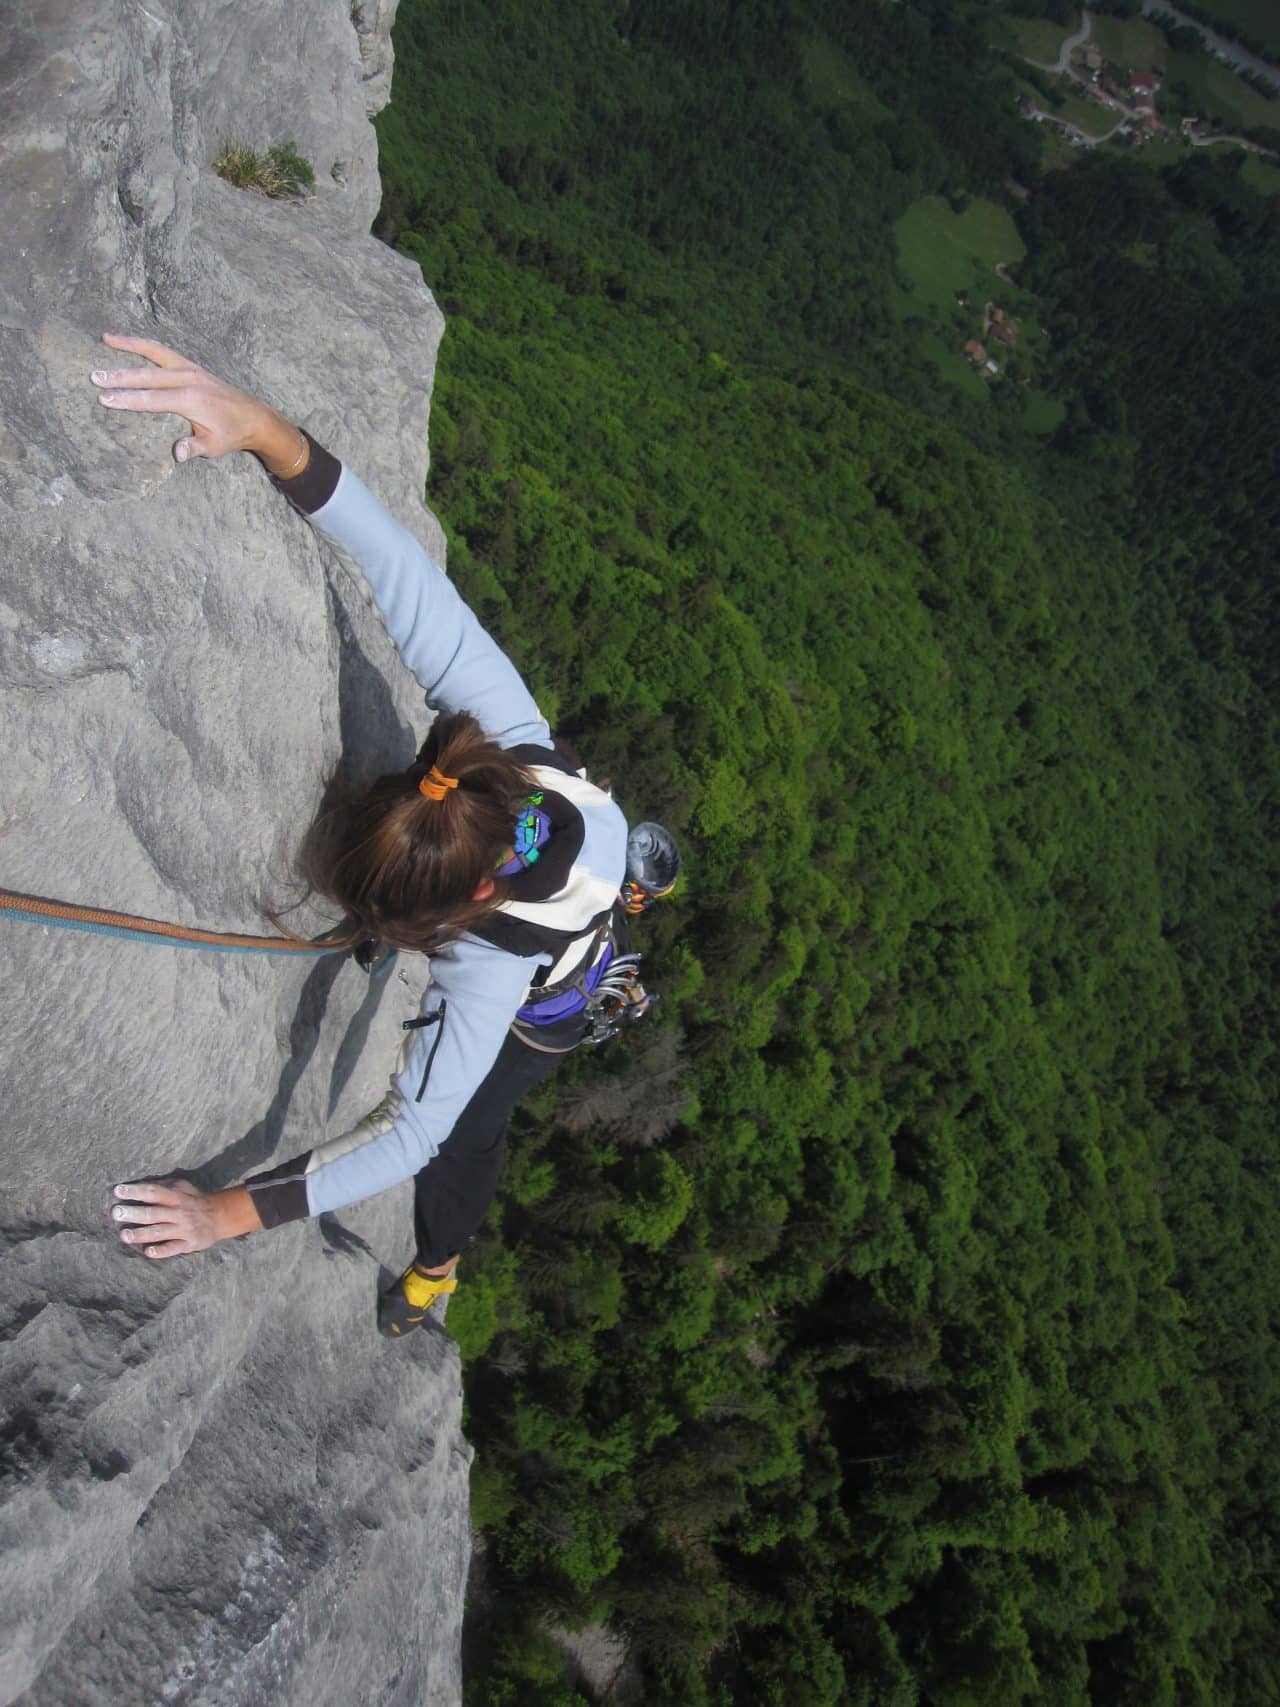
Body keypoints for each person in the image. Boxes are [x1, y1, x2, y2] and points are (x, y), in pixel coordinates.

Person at [92, 334, 679, 1337]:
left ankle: (435, 1270)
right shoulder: (514, 753)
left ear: (465, 912)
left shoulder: (495, 966)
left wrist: (227, 1213)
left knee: (470, 1141)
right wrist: (264, 433)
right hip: (588, 874)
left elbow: (415, 1134)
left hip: (556, 1002)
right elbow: (404, 575)